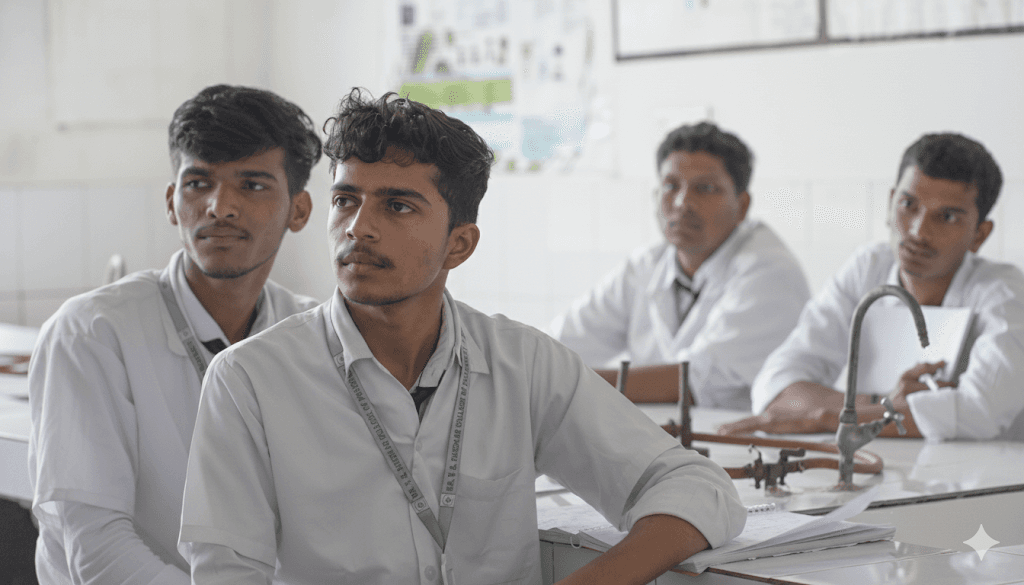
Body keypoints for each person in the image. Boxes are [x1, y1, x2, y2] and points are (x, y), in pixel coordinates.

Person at [178, 89, 745, 585]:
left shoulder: (522, 363)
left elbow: (697, 487)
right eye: (346, 200)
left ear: (460, 244)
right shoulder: (250, 380)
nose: (359, 227)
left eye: (397, 205)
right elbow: (227, 574)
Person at [27, 84, 323, 584]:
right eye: (198, 183)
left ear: (299, 210)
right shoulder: (91, 334)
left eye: (252, 185)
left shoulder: (312, 338)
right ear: (171, 201)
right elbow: (95, 553)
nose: (220, 207)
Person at [720, 132, 1024, 441]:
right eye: (908, 204)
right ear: (890, 203)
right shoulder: (868, 268)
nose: (918, 231)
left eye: (946, 217)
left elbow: (980, 411)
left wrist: (826, 417)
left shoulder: (1005, 294)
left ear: (979, 235)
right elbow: (775, 386)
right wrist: (882, 404)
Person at [549, 122, 809, 409]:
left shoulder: (769, 271)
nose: (683, 202)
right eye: (671, 186)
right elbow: (559, 344)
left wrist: (563, 383)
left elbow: (694, 382)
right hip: (659, 432)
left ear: (742, 206)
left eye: (705, 189)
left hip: (737, 434)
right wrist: (538, 371)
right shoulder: (646, 266)